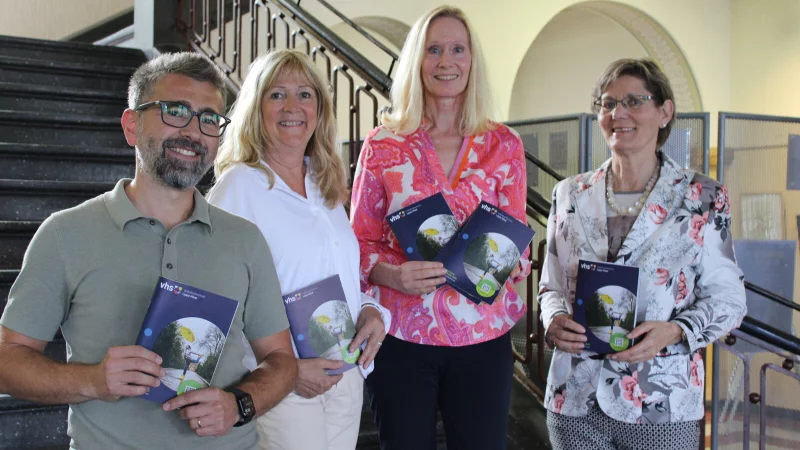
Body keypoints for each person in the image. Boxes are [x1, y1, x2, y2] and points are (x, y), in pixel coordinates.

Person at [0, 52, 298, 450]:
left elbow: (281, 360)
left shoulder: (246, 240)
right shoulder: (64, 234)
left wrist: (239, 404)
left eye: (209, 119)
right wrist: (91, 380)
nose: (194, 131)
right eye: (175, 111)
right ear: (132, 125)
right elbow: (9, 360)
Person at [538, 58, 747, 450]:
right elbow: (550, 286)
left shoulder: (702, 197)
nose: (619, 114)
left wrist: (677, 331)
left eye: (635, 101)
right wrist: (553, 318)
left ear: (664, 112)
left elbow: (729, 298)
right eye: (608, 103)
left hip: (661, 400)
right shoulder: (568, 194)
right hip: (574, 399)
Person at [350, 6, 529, 450]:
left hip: (483, 338)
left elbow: (518, 243)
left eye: (457, 49)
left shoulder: (504, 145)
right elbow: (357, 241)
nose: (446, 61)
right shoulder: (382, 145)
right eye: (433, 50)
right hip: (402, 336)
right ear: (417, 61)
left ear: (472, 61)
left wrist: (507, 263)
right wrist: (393, 275)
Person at [207, 49, 390, 450]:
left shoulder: (325, 185)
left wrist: (371, 310)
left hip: (344, 374)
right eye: (277, 95)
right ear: (256, 108)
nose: (293, 107)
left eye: (305, 95)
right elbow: (217, 297)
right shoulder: (239, 186)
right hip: (283, 385)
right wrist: (288, 368)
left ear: (320, 110)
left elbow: (341, 276)